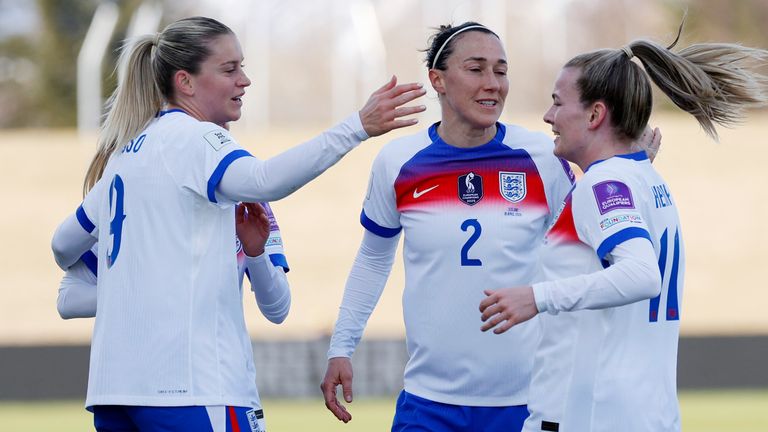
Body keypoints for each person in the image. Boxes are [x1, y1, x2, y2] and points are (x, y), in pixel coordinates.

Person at [50, 16, 424, 431]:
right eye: (229, 69)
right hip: (191, 390)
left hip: (115, 392)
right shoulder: (196, 140)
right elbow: (265, 179)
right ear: (185, 82)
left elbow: (63, 247)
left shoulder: (125, 156)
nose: (244, 80)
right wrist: (357, 127)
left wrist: (153, 287)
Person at [479, 27, 768, 432]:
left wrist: (537, 297)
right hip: (645, 414)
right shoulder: (641, 177)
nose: (548, 116)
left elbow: (641, 274)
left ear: (595, 114)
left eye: (558, 102)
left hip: (592, 417)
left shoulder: (604, 183)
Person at [320, 22, 578, 432]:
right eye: (476, 69)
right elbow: (373, 259)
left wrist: (625, 171)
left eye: (501, 70)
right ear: (437, 80)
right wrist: (341, 347)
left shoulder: (543, 157)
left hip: (526, 404)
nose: (493, 83)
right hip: (428, 406)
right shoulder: (399, 161)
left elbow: (584, 256)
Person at [57, 202, 290, 323]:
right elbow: (68, 300)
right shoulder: (140, 183)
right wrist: (146, 292)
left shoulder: (243, 187)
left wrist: (256, 254)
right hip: (144, 375)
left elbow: (278, 310)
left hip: (220, 376)